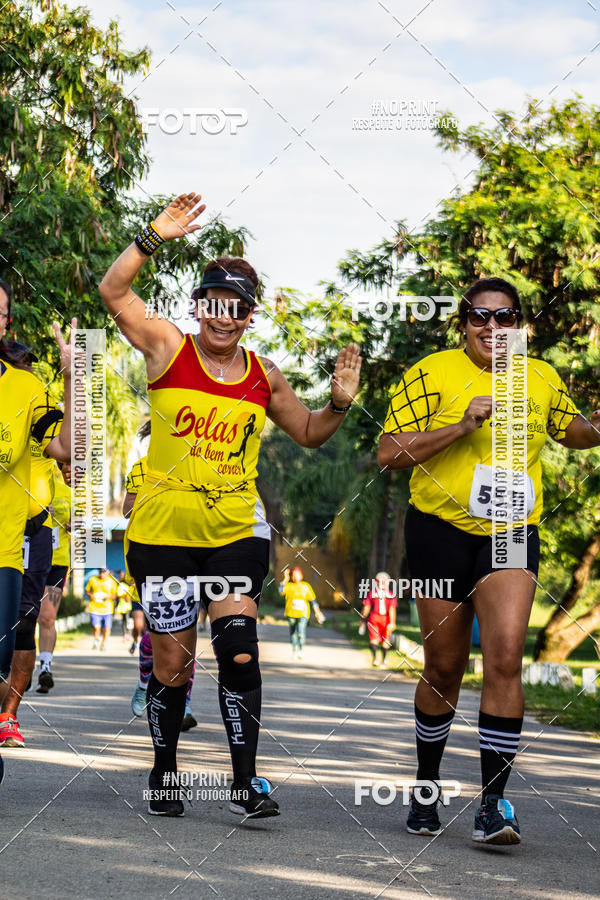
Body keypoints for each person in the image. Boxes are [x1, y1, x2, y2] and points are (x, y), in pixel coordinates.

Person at [99, 191, 361, 818]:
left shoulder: (263, 376)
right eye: (213, 304)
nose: (223, 317)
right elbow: (113, 291)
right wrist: (153, 236)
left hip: (235, 530)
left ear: (249, 316)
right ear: (199, 307)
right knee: (172, 661)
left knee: (240, 650)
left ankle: (245, 782)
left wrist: (339, 404)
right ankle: (165, 772)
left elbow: (309, 432)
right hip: (163, 532)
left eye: (236, 307)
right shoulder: (168, 347)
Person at [378, 276, 600, 845]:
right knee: (444, 668)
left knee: (504, 659)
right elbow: (389, 452)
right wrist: (461, 426)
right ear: (464, 324)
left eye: (505, 317)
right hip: (438, 531)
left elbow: (571, 430)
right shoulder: (431, 373)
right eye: (480, 316)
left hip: (510, 532)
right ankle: (426, 787)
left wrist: (596, 426)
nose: (493, 327)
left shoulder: (540, 377)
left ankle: (493, 805)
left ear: (519, 325)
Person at [0, 333, 72, 750]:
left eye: (28, 363)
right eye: (18, 360)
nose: (23, 367)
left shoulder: (37, 402)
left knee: (25, 624)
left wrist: (72, 379)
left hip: (35, 531)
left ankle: (8, 715)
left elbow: (68, 448)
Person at [124, 451, 197, 730]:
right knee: (153, 637)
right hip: (151, 554)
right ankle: (145, 682)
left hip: (191, 555)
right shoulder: (142, 467)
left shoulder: (199, 465)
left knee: (185, 639)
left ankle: (183, 703)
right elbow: (127, 510)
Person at [36, 461, 72, 693]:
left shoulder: (68, 492)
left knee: (47, 618)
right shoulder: (31, 485)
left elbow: (86, 528)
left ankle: (45, 668)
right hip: (30, 559)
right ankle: (19, 668)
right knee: (25, 617)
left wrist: (74, 526)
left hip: (57, 561)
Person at [279, 566, 325, 660]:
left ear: (301, 575)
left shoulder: (306, 586)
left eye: (297, 575)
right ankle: (294, 651)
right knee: (293, 633)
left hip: (303, 614)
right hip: (291, 614)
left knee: (300, 632)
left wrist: (317, 612)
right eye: (293, 575)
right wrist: (285, 578)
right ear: (291, 577)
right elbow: (280, 591)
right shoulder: (289, 586)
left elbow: (313, 601)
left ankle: (300, 650)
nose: (295, 577)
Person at [358, 571, 397, 668]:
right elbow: (392, 609)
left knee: (374, 638)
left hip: (375, 618)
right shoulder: (390, 594)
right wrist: (392, 622)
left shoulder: (372, 593)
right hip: (384, 618)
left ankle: (375, 659)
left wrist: (362, 619)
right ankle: (383, 661)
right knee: (385, 639)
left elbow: (366, 608)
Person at [86, 569, 118, 650]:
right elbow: (87, 591)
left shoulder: (111, 581)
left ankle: (103, 643)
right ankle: (96, 640)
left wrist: (108, 597)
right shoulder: (92, 579)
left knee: (106, 628)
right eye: (100, 572)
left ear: (107, 573)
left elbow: (115, 595)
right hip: (95, 607)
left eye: (103, 572)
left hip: (107, 608)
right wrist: (91, 596)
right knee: (96, 627)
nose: (102, 574)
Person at [115, 571, 133, 642]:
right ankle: (125, 634)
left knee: (130, 621)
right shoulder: (122, 585)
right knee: (125, 620)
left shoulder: (132, 586)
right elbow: (119, 595)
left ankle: (130, 634)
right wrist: (126, 595)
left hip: (131, 606)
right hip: (124, 606)